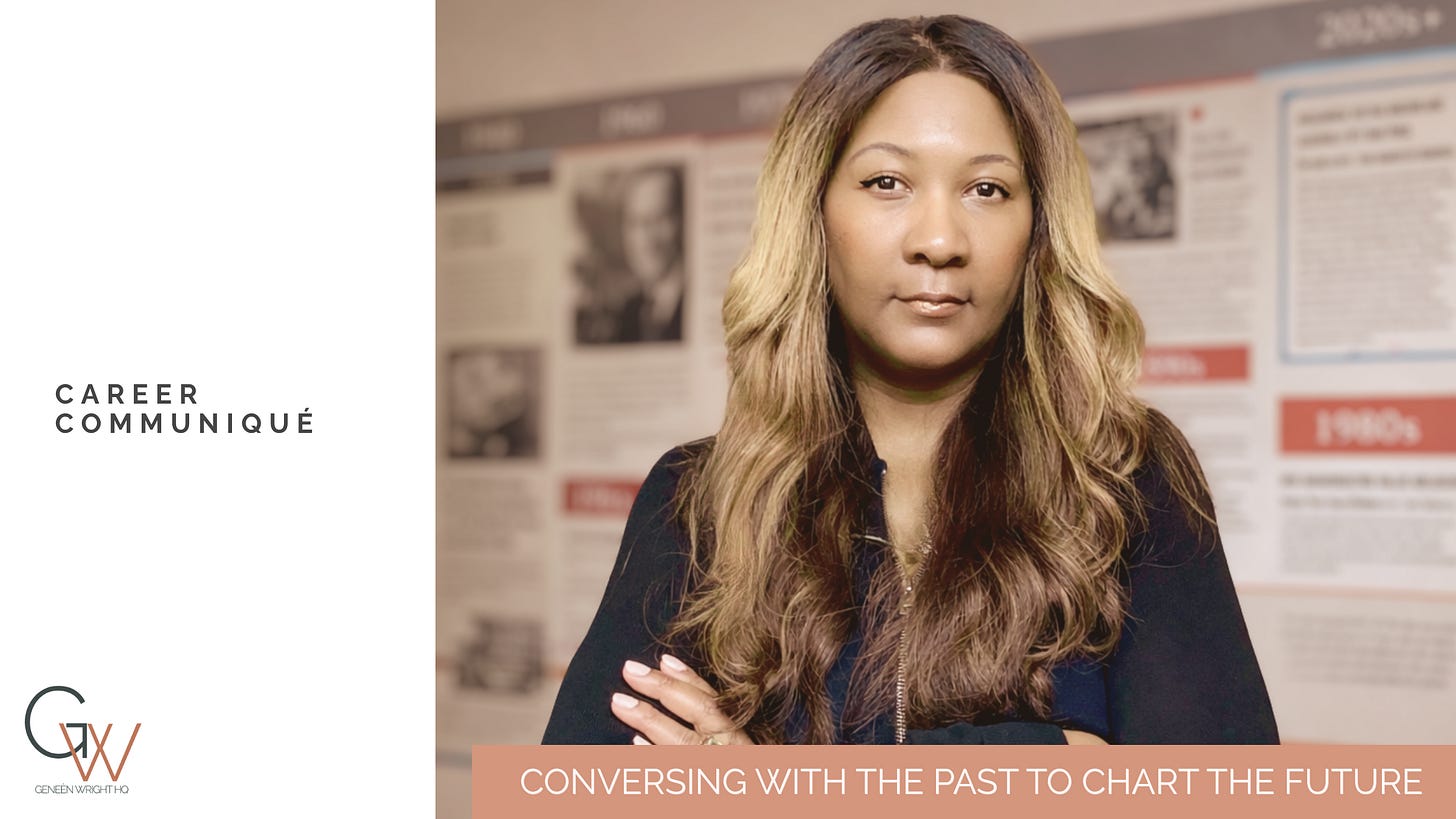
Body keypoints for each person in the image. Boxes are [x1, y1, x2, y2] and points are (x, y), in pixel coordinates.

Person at [543, 15, 1277, 745]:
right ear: (815, 212)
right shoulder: (696, 497)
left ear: (1037, 228)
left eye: (987, 189)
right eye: (887, 182)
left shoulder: (1125, 477)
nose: (939, 241)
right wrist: (1055, 753)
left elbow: (1220, 788)